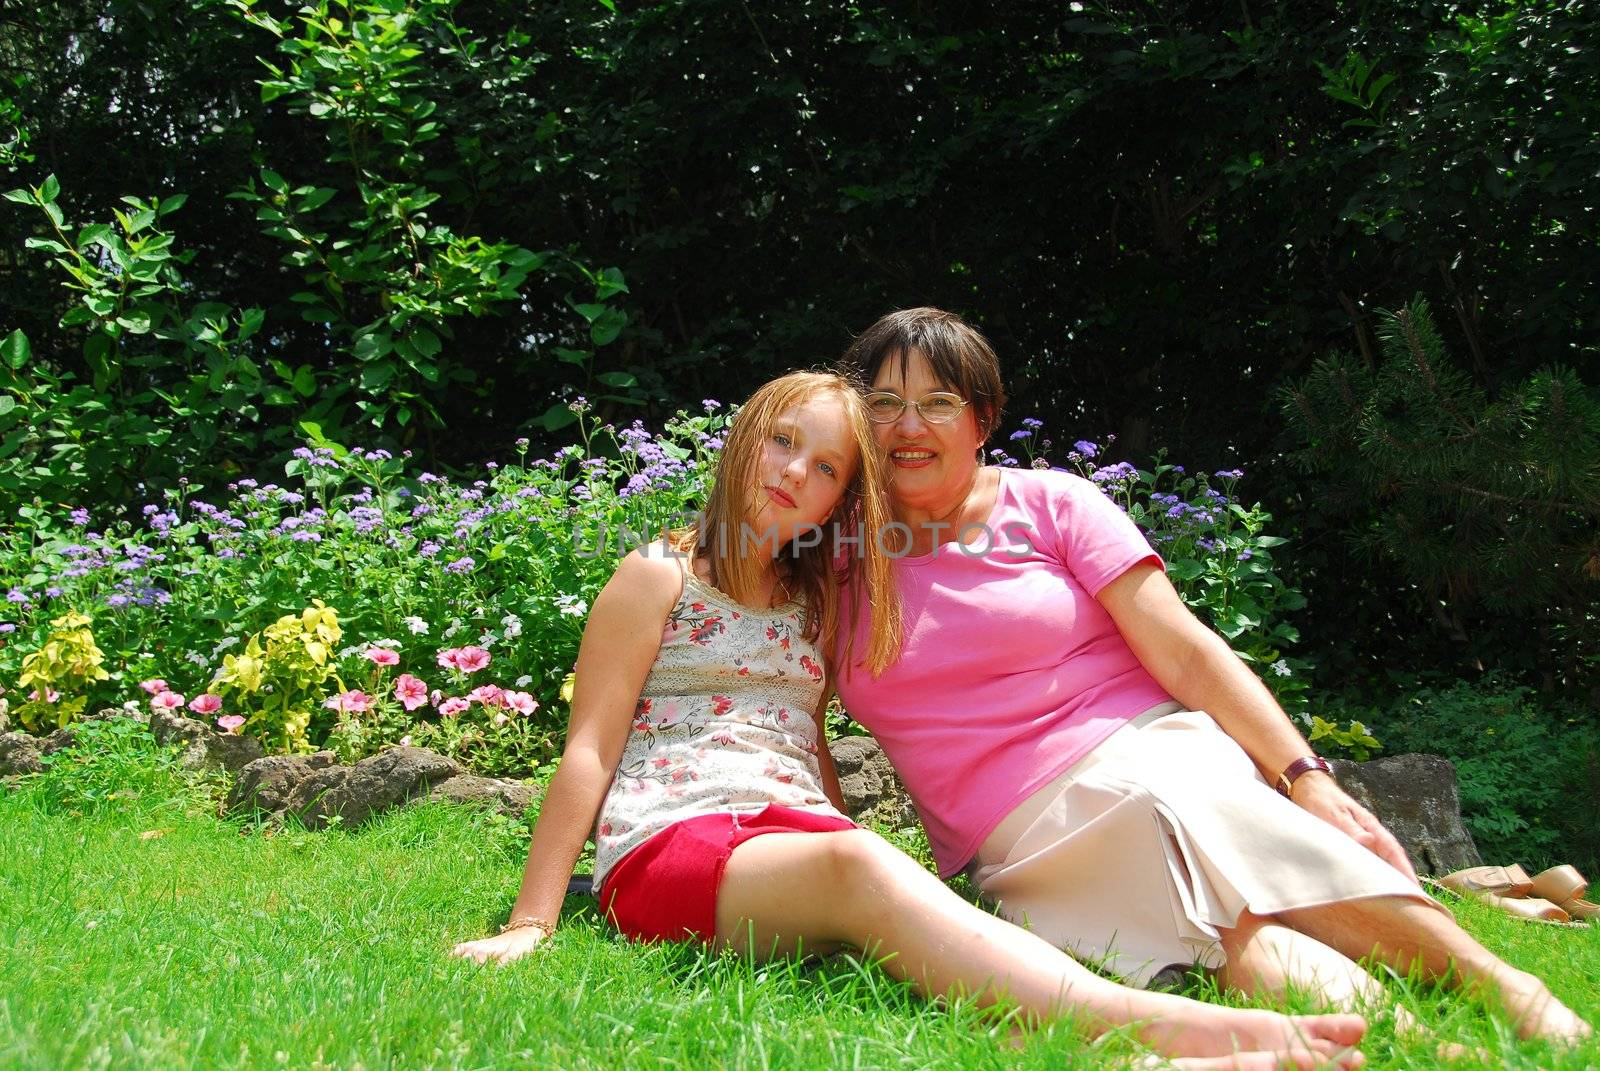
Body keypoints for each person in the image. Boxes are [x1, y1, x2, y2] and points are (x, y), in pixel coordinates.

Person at [451, 370, 1369, 1070]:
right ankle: (1178, 1029)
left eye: (825, 470)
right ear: (741, 442)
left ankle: (1125, 1038)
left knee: (878, 873)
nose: (794, 474)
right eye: (782, 444)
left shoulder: (817, 605)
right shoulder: (658, 575)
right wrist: (533, 919)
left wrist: (853, 829)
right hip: (673, 841)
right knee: (860, 865)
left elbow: (808, 749)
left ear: (838, 502)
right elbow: (588, 749)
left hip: (788, 837)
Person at [832, 308, 1592, 1045]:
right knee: (1207, 902)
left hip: (1153, 748)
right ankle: (1414, 1040)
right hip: (1017, 829)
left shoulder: (1054, 505)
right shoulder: (828, 562)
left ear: (983, 419)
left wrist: (1305, 775)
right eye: (886, 403)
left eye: (937, 402)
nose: (909, 426)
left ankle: (1497, 983)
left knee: (1182, 808)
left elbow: (1188, 650)